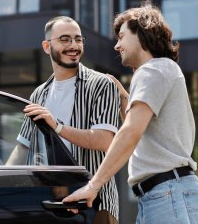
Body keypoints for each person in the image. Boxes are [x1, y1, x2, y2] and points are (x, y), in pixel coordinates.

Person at [62, 3, 198, 223]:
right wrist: (123, 96)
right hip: (169, 194)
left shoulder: (151, 70)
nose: (117, 45)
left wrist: (93, 186)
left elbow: (130, 132)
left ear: (141, 33)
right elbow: (144, 130)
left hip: (167, 195)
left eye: (121, 37)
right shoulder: (163, 70)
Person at [8, 16, 121, 224]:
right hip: (49, 206)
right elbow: (22, 148)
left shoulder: (101, 84)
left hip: (94, 206)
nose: (74, 46)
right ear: (46, 46)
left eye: (78, 39)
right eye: (65, 39)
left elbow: (105, 140)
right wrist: (4, 181)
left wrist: (57, 126)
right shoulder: (38, 94)